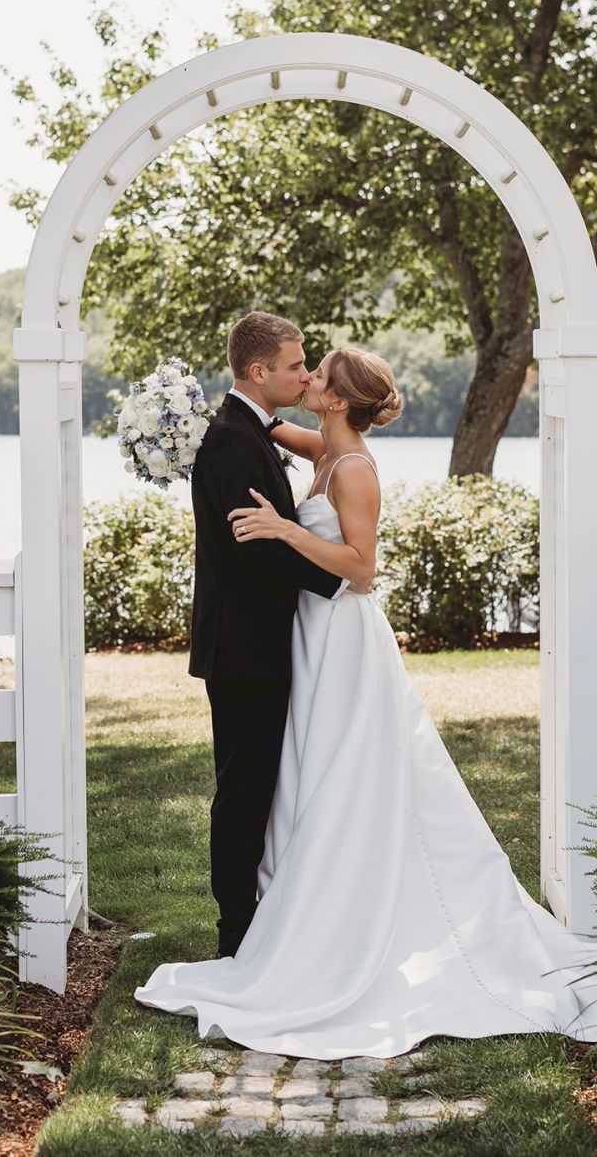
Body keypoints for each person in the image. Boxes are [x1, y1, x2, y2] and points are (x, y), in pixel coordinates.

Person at [136, 340, 597, 1059]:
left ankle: (352, 915)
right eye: (301, 366)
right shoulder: (320, 446)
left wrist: (286, 527)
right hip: (307, 637)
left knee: (352, 768)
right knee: (308, 772)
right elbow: (256, 429)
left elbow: (361, 569)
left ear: (337, 398)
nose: (308, 377)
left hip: (345, 637)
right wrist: (188, 418)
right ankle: (297, 915)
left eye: (318, 373)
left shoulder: (353, 468)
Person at [184, 312, 349, 959]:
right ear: (259, 372)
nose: (303, 374)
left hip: (259, 641)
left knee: (260, 785)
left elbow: (328, 455)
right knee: (244, 790)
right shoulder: (230, 442)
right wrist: (344, 584)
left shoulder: (249, 429)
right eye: (293, 365)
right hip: (244, 646)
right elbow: (254, 546)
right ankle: (235, 935)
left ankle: (261, 917)